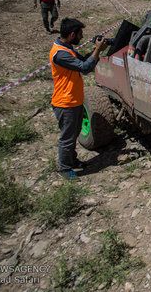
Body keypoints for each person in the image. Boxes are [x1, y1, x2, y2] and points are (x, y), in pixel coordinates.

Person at [50, 18, 108, 181]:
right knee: (67, 137)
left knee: (73, 134)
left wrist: (97, 50)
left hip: (73, 100)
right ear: (72, 34)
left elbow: (83, 60)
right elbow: (85, 68)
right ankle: (64, 168)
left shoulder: (67, 48)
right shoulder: (60, 54)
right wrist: (96, 51)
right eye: (80, 34)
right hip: (65, 102)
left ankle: (72, 160)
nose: (82, 37)